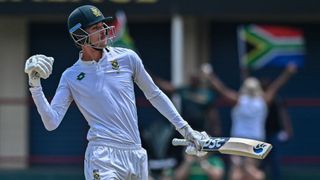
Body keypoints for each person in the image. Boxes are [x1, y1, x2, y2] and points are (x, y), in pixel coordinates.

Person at [24, 5, 209, 180]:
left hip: (135, 152)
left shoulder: (127, 58)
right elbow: (51, 122)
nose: (103, 30)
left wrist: (186, 129)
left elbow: (155, 94)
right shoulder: (71, 76)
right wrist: (35, 86)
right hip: (102, 154)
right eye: (95, 27)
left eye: (103, 25)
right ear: (79, 35)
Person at [201, 63, 297, 180]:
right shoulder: (263, 100)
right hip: (255, 139)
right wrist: (287, 73)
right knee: (251, 169)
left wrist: (210, 75)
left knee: (237, 169)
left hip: (238, 139)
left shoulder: (238, 100)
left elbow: (222, 90)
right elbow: (275, 86)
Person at [260, 78, 294, 180]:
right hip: (261, 135)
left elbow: (283, 115)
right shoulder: (259, 101)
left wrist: (288, 130)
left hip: (274, 133)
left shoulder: (277, 100)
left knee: (274, 161)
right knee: (261, 160)